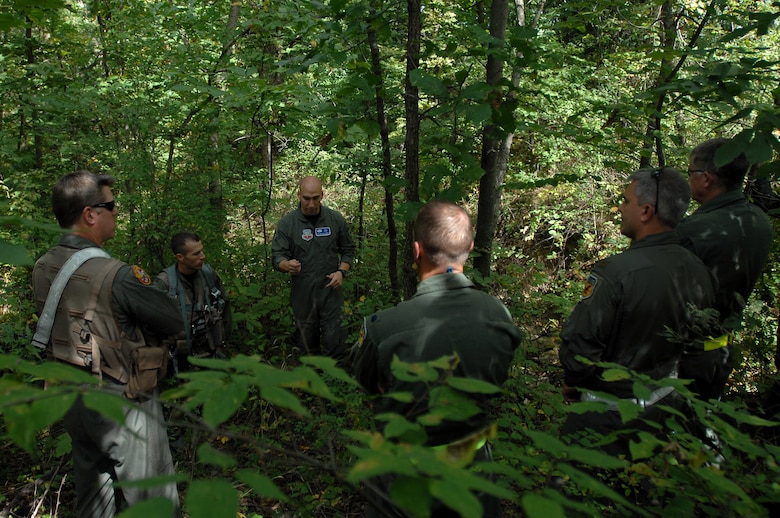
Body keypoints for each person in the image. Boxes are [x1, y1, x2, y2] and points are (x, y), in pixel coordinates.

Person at [352, 200, 522, 517]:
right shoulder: (499, 315)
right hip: (472, 473)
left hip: (403, 477)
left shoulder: (384, 326)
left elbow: (367, 382)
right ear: (469, 248)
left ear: (416, 251)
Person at [31, 171, 182, 517]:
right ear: (90, 214)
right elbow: (172, 318)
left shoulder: (42, 268)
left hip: (72, 397)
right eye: (111, 205)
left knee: (94, 499)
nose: (117, 212)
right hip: (124, 403)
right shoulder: (118, 275)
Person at [559, 167, 718, 457]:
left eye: (626, 201)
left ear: (646, 211)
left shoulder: (616, 272)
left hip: (607, 414)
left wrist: (575, 381)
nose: (620, 207)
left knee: (570, 492)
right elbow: (700, 347)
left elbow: (581, 347)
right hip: (666, 410)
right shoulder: (699, 271)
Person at [677, 137, 773, 401]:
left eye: (690, 173)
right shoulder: (759, 222)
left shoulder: (692, 231)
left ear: (706, 178)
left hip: (683, 357)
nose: (689, 180)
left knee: (670, 432)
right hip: (720, 353)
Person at [271, 176, 356, 362]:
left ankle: (337, 382)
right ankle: (312, 384)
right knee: (307, 343)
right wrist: (287, 265)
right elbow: (277, 256)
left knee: (336, 339)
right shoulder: (288, 224)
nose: (311, 203)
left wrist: (341, 272)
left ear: (322, 196)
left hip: (331, 290)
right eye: (306, 198)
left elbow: (348, 250)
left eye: (315, 198)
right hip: (303, 292)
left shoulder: (334, 219)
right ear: (299, 195)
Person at [154, 232, 231, 374]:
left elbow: (224, 306)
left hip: (210, 354)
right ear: (180, 257)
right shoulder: (165, 283)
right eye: (196, 254)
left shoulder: (208, 274)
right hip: (177, 359)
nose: (203, 256)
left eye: (201, 251)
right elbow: (151, 321)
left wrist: (222, 342)